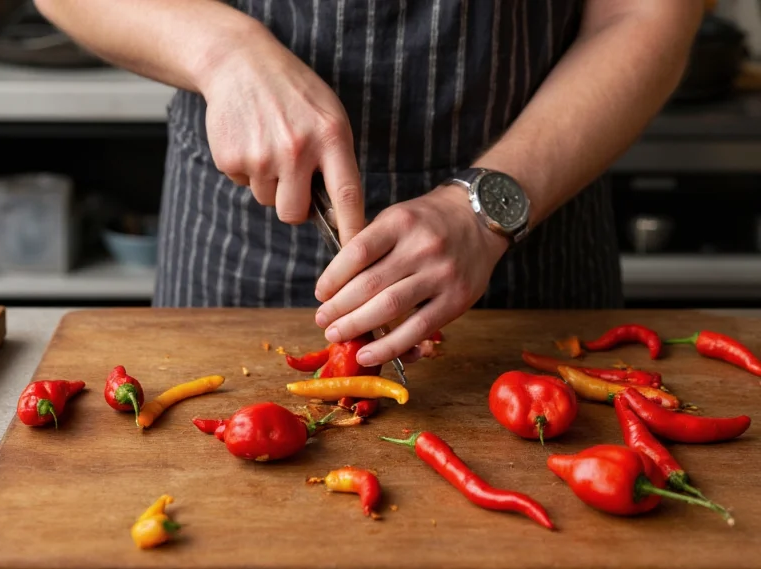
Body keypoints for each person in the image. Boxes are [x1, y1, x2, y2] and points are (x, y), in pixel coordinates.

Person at [35, 0, 703, 367]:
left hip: (531, 237)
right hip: (235, 247)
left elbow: (644, 13)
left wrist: (484, 210)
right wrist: (221, 51)